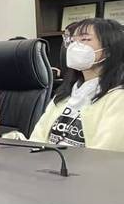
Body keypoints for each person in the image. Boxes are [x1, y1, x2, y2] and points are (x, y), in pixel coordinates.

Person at [10, 18, 124, 150]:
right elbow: (37, 140)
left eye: (85, 39)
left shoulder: (118, 98)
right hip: (46, 162)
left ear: (109, 50)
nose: (74, 46)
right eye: (72, 40)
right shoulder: (66, 93)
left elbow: (106, 154)